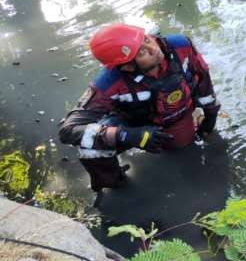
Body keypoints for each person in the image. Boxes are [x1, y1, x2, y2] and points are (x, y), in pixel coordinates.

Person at [58, 24, 220, 192]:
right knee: (90, 149)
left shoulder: (179, 45)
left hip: (178, 116)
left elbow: (202, 76)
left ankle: (188, 128)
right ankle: (119, 189)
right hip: (136, 123)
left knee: (182, 149)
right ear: (128, 66)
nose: (153, 48)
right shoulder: (109, 83)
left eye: (146, 39)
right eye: (142, 52)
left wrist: (210, 115)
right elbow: (68, 130)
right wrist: (128, 135)